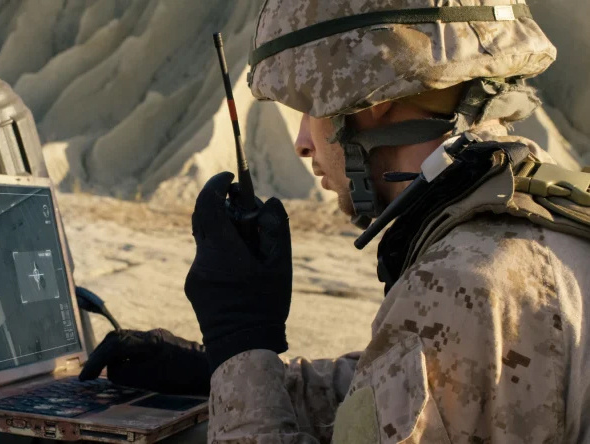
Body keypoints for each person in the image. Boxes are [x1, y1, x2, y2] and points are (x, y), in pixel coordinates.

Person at [81, 0, 590, 442]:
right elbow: (395, 394)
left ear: (372, 97)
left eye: (308, 107)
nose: (302, 142)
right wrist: (221, 369)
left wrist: (239, 336)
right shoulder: (537, 218)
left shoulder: (463, 282)